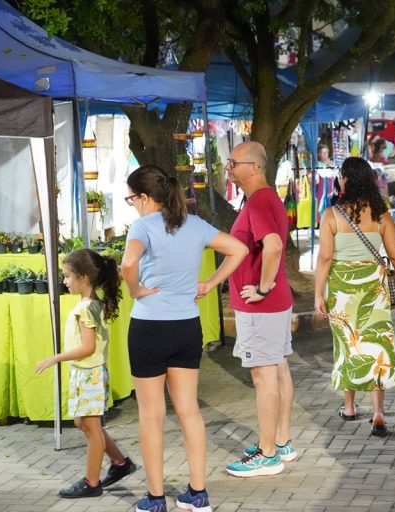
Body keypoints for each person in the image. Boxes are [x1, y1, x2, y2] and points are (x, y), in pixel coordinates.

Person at [121, 165, 248, 512]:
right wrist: (211, 283)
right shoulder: (195, 225)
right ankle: (197, 494)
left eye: (132, 199)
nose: (133, 205)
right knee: (189, 411)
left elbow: (128, 263)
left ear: (146, 198)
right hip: (186, 328)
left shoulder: (143, 226)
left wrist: (135, 290)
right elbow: (238, 249)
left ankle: (156, 498)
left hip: (149, 328)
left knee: (151, 416)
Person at [314, 157, 395, 437]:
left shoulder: (331, 214)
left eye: (340, 176)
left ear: (347, 179)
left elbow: (324, 258)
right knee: (376, 345)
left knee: (349, 344)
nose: (338, 181)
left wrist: (318, 294)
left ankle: (349, 407)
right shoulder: (382, 214)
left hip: (342, 289)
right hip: (374, 289)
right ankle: (378, 413)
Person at [35, 249, 136, 499]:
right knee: (84, 423)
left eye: (68, 276)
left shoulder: (85, 309)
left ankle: (92, 483)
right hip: (87, 374)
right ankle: (120, 463)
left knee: (91, 430)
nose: (65, 281)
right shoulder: (91, 305)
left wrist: (55, 358)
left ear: (83, 278)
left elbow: (88, 347)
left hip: (89, 374)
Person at [224, 141, 297, 478]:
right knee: (278, 369)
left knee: (263, 375)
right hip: (273, 301)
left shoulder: (259, 201)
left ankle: (268, 454)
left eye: (233, 162)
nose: (228, 167)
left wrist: (263, 287)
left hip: (262, 304)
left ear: (252, 167)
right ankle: (279, 442)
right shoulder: (266, 200)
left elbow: (274, 245)